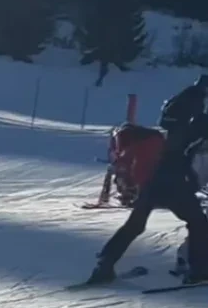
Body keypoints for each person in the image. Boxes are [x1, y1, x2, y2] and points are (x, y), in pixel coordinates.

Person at [89, 74, 208, 285]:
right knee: (198, 222)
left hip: (156, 174)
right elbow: (190, 145)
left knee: (135, 224)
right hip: (175, 180)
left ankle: (105, 263)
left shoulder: (176, 109)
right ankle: (198, 271)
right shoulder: (200, 119)